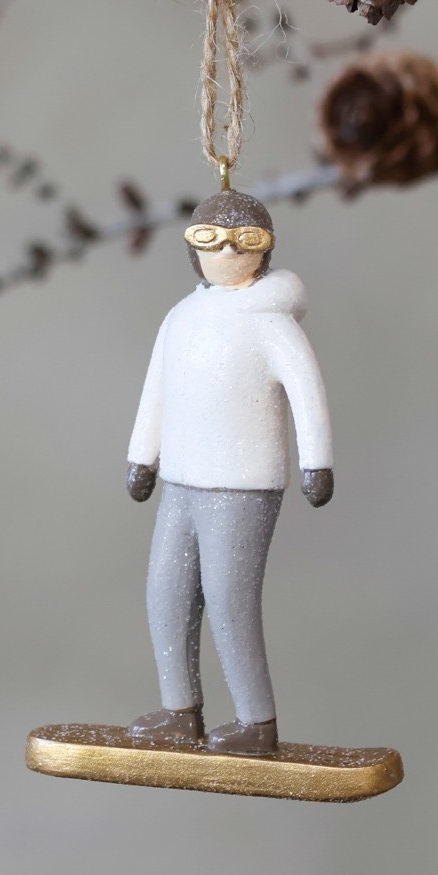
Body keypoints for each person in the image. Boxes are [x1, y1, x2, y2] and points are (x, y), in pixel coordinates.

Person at [124, 190, 334, 756]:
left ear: (266, 249)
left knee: (227, 598)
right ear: (192, 249)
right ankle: (179, 709)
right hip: (180, 478)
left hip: (243, 484)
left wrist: (317, 462)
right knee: (165, 590)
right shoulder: (181, 317)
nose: (227, 251)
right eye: (209, 240)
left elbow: (307, 394)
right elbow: (156, 389)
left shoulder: (271, 322)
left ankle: (256, 720)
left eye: (245, 240)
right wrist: (143, 454)